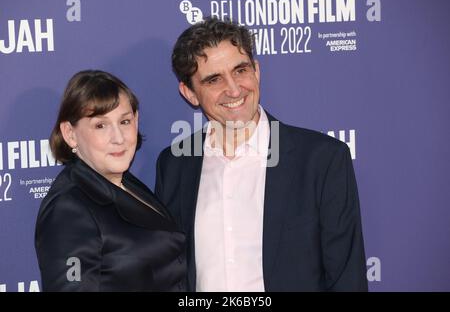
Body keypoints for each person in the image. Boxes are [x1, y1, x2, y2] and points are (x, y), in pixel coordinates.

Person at [155, 18, 368, 291]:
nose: (233, 89)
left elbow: (346, 278)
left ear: (256, 70)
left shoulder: (321, 159)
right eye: (214, 79)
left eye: (240, 70)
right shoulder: (174, 165)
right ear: (190, 93)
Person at [35, 70, 186, 291]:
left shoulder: (124, 182)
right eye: (100, 125)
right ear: (70, 133)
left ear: (136, 120)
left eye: (124, 121)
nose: (118, 138)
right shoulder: (68, 209)